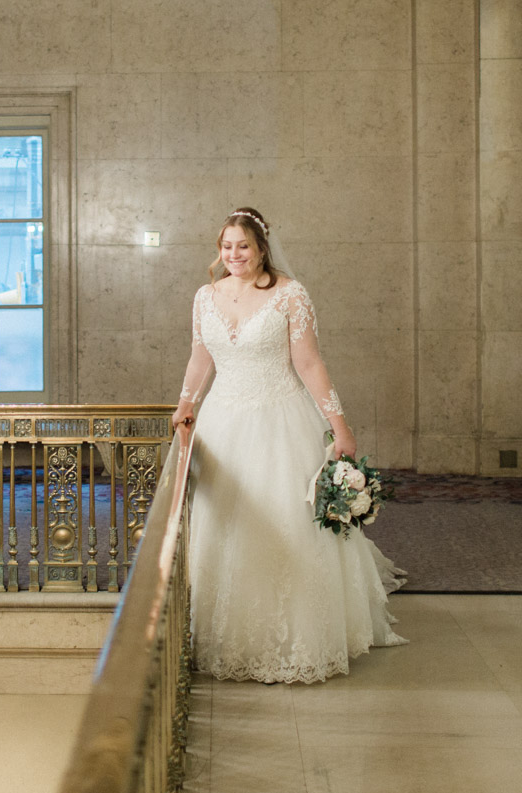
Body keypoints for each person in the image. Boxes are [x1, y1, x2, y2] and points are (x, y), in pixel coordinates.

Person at [172, 207, 406, 683]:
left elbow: (310, 363)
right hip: (222, 423)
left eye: (243, 246)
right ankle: (220, 635)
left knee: (283, 521)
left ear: (261, 248)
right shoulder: (204, 296)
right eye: (226, 246)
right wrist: (185, 404)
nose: (234, 254)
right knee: (224, 527)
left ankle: (294, 638)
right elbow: (201, 358)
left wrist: (340, 427)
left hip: (279, 421)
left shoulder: (289, 295)